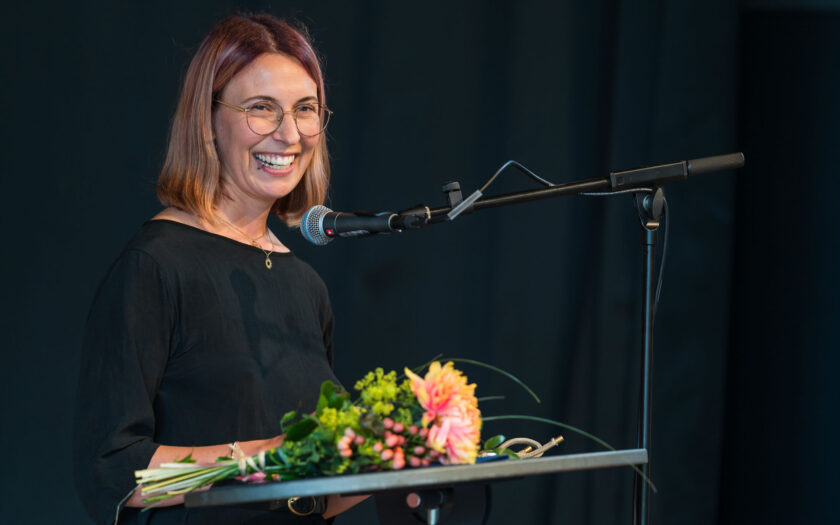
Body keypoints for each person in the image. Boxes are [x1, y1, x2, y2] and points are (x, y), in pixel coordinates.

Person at [73, 14, 363, 524]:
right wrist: (266, 458)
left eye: (305, 109)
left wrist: (406, 458)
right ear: (207, 120)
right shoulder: (155, 265)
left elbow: (312, 500)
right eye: (261, 109)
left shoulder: (305, 285)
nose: (289, 134)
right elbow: (115, 470)